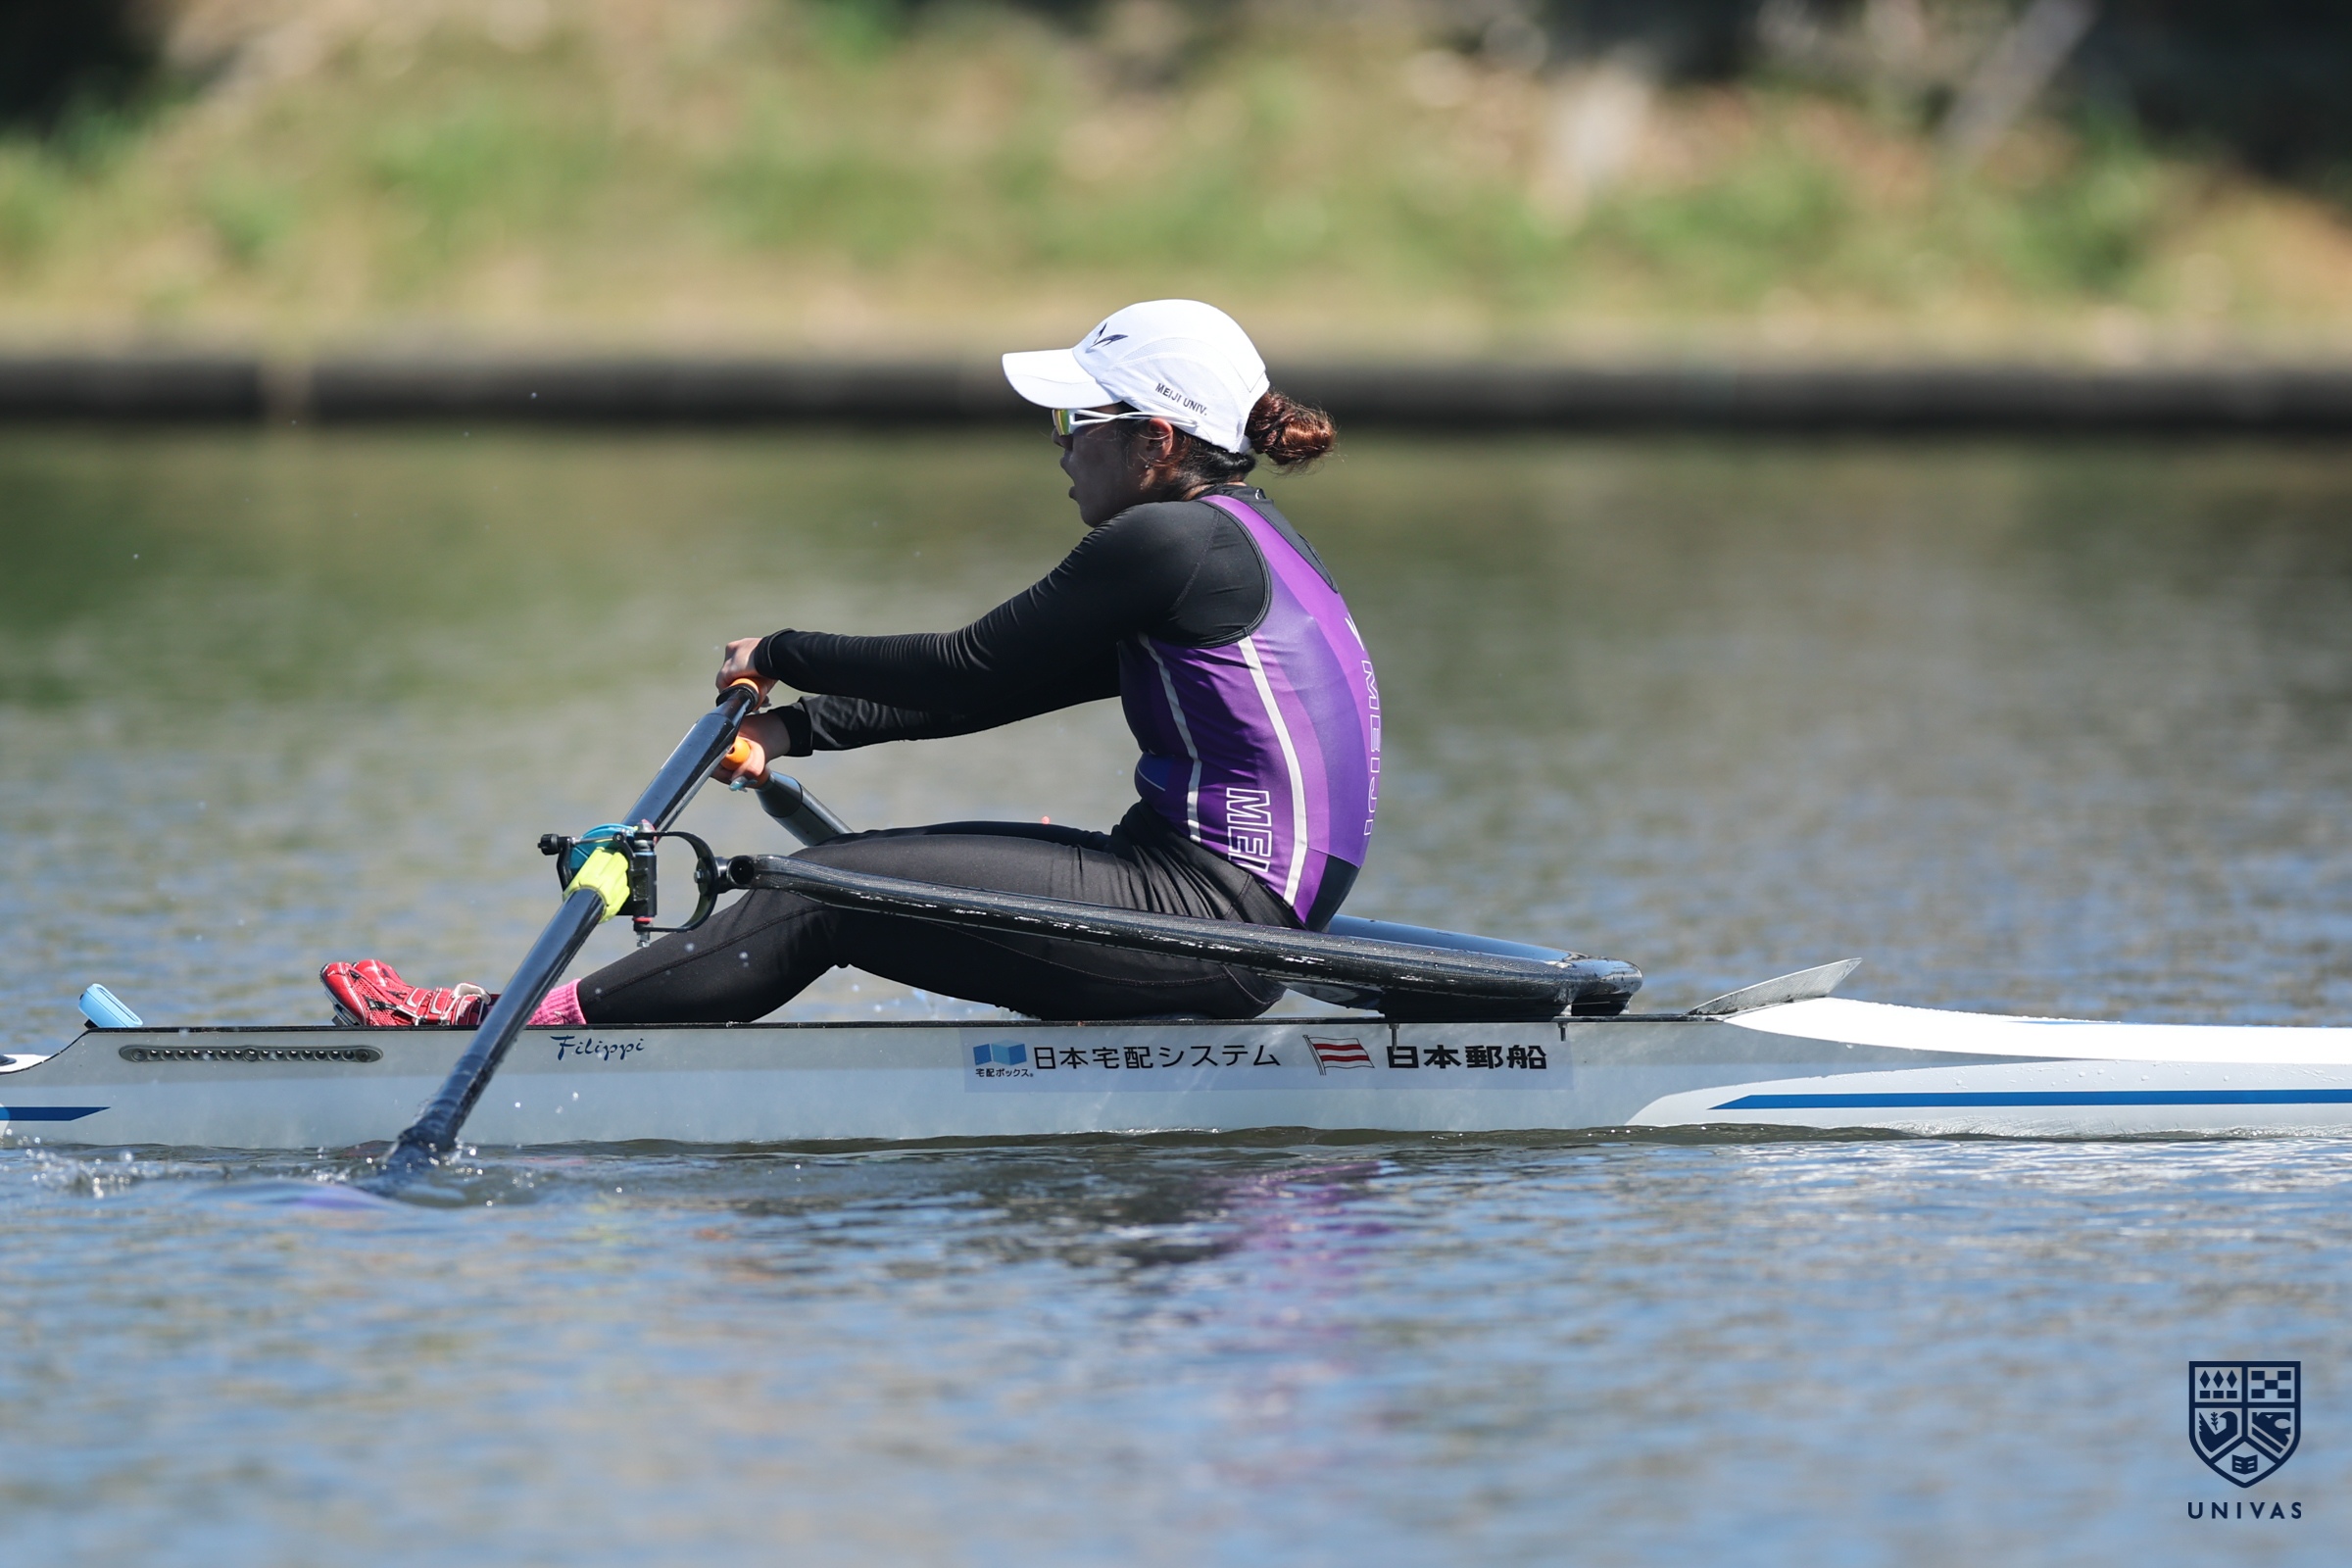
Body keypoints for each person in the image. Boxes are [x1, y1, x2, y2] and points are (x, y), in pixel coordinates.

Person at [322, 300, 1379, 1028]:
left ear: (1156, 440)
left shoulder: (1168, 542)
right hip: (1228, 922)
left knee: (821, 889)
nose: (1058, 446)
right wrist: (796, 728)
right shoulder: (1245, 541)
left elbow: (967, 664)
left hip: (1209, 922)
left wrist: (781, 653)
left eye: (1074, 421)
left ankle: (506, 1027)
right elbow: (1006, 689)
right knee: (854, 871)